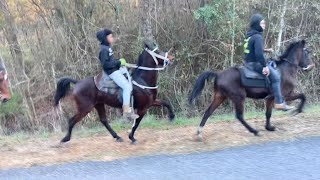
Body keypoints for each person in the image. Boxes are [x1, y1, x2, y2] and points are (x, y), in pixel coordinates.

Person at [243, 14, 294, 111]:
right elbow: (258, 55)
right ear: (257, 24)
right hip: (255, 64)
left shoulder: (249, 35)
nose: (264, 25)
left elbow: (252, 49)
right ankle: (279, 102)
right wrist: (264, 66)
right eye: (262, 23)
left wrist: (266, 50)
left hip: (247, 63)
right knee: (276, 76)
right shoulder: (258, 37)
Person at [96, 28, 139, 119]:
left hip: (115, 69)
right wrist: (118, 62)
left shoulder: (108, 48)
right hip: (112, 72)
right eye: (111, 36)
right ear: (105, 38)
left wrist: (119, 62)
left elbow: (111, 61)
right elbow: (105, 65)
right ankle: (126, 112)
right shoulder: (104, 50)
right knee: (127, 87)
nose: (113, 38)